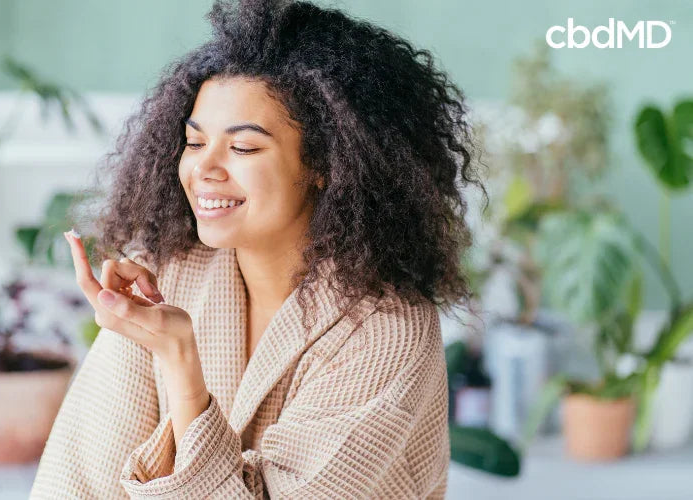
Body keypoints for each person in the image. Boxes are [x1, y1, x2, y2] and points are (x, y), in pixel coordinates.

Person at [30, 0, 485, 498]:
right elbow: (80, 475)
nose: (205, 168)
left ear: (324, 165)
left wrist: (181, 361)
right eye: (194, 142)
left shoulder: (387, 332)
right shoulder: (172, 274)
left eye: (243, 148)